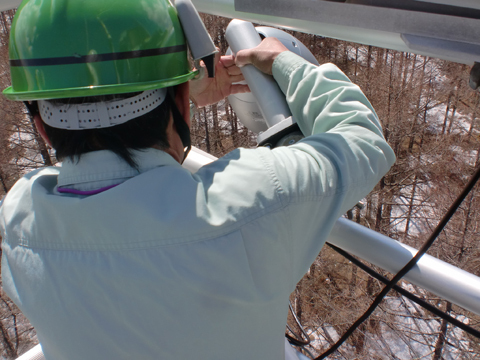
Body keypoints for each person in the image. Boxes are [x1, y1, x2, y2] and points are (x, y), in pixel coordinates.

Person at [0, 0, 395, 359]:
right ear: (182, 106)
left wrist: (176, 103)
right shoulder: (254, 200)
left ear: (43, 128)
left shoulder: (18, 222)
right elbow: (362, 139)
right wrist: (282, 62)